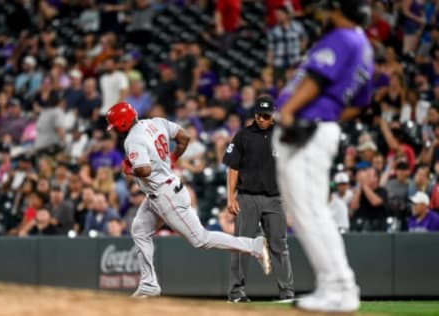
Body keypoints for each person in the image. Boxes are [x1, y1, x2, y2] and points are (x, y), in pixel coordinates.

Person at [106, 102, 271, 298]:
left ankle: (254, 246)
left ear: (123, 123)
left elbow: (144, 170)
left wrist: (130, 169)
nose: (114, 129)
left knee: (201, 239)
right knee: (140, 230)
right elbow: (184, 137)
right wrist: (172, 159)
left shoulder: (133, 139)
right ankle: (149, 285)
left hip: (165, 195)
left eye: (115, 125)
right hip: (162, 190)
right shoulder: (156, 122)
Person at [272, 0, 374, 312]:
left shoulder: (343, 37)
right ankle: (338, 287)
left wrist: (288, 111)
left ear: (340, 11)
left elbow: (316, 80)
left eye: (328, 10)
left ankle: (339, 288)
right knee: (310, 213)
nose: (323, 15)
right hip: (319, 127)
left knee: (311, 213)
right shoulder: (363, 45)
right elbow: (362, 100)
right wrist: (330, 117)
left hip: (308, 131)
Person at [222, 95, 294, 303]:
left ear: (273, 116)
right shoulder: (243, 135)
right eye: (259, 114)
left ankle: (287, 292)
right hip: (247, 198)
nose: (261, 118)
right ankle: (236, 293)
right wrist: (231, 197)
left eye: (266, 115)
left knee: (279, 245)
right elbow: (233, 168)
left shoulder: (281, 136)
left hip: (275, 198)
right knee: (242, 246)